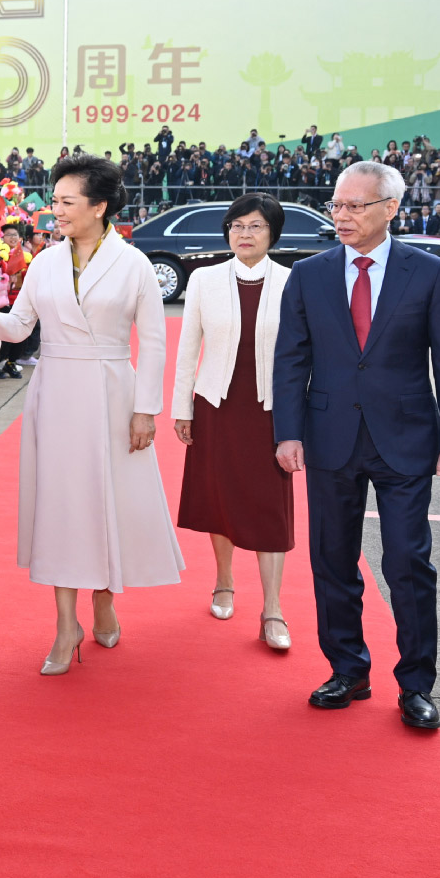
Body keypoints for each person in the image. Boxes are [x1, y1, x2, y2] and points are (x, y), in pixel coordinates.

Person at [272, 161, 440, 731]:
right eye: (337, 205)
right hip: (329, 437)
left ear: (390, 209)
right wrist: (287, 431)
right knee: (332, 560)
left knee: (408, 562)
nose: (341, 216)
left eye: (355, 206)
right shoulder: (309, 274)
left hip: (406, 439)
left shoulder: (429, 274)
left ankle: (415, 684)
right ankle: (348, 670)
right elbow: (291, 360)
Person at [0, 154, 183, 673]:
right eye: (54, 202)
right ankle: (65, 625)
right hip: (55, 394)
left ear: (99, 207)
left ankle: (104, 599)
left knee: (108, 503)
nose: (56, 212)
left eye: (67, 203)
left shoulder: (135, 263)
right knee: (61, 506)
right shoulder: (46, 261)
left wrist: (146, 410)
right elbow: (18, 325)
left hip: (115, 392)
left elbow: (155, 344)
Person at [172, 194, 294, 651]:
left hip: (269, 410)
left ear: (272, 234)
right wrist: (183, 408)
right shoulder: (204, 280)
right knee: (219, 497)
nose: (245, 234)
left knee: (270, 506)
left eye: (256, 226)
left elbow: (304, 354)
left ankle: (273, 609)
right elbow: (188, 349)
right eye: (237, 225)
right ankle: (223, 581)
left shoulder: (292, 281)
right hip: (216, 406)